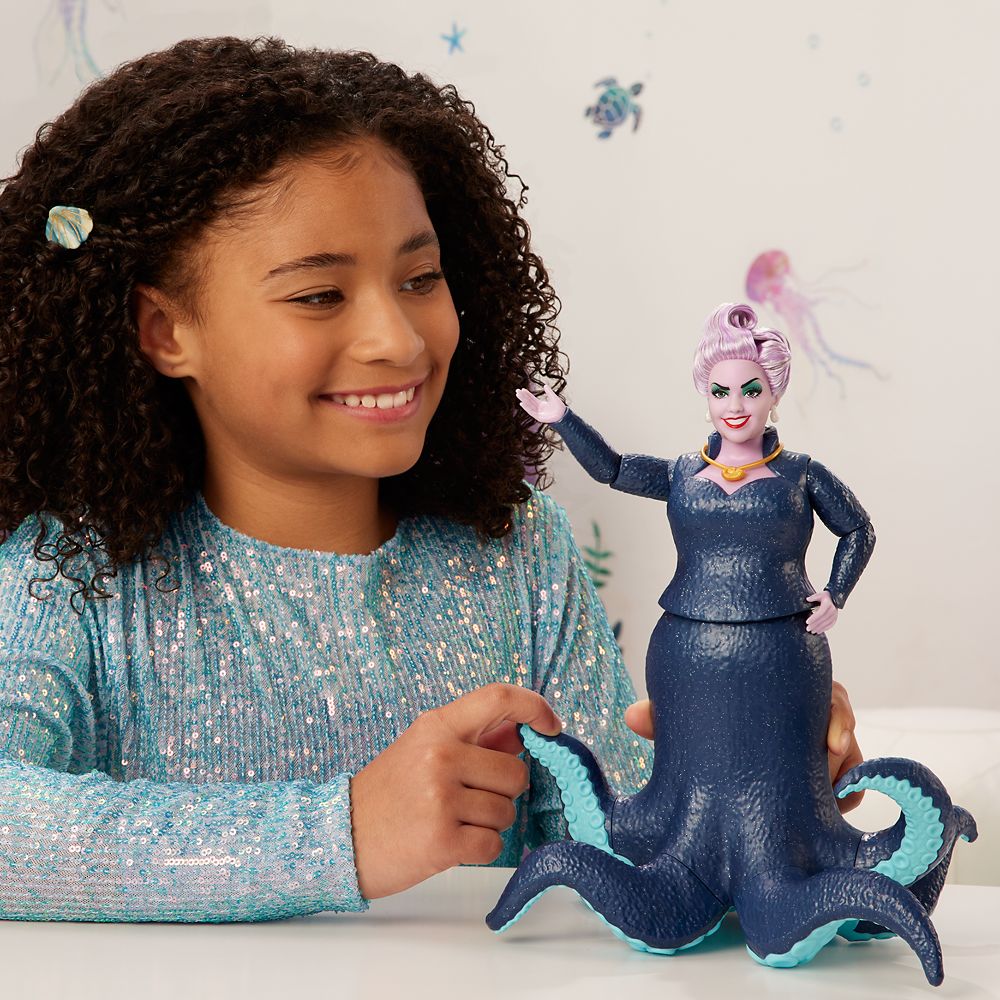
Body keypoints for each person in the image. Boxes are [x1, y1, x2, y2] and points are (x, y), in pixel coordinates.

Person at [0, 37, 862, 923]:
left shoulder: (516, 552)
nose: (400, 339)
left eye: (419, 278)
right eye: (320, 296)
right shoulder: (70, 575)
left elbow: (631, 867)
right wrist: (344, 832)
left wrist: (758, 786)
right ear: (165, 330)